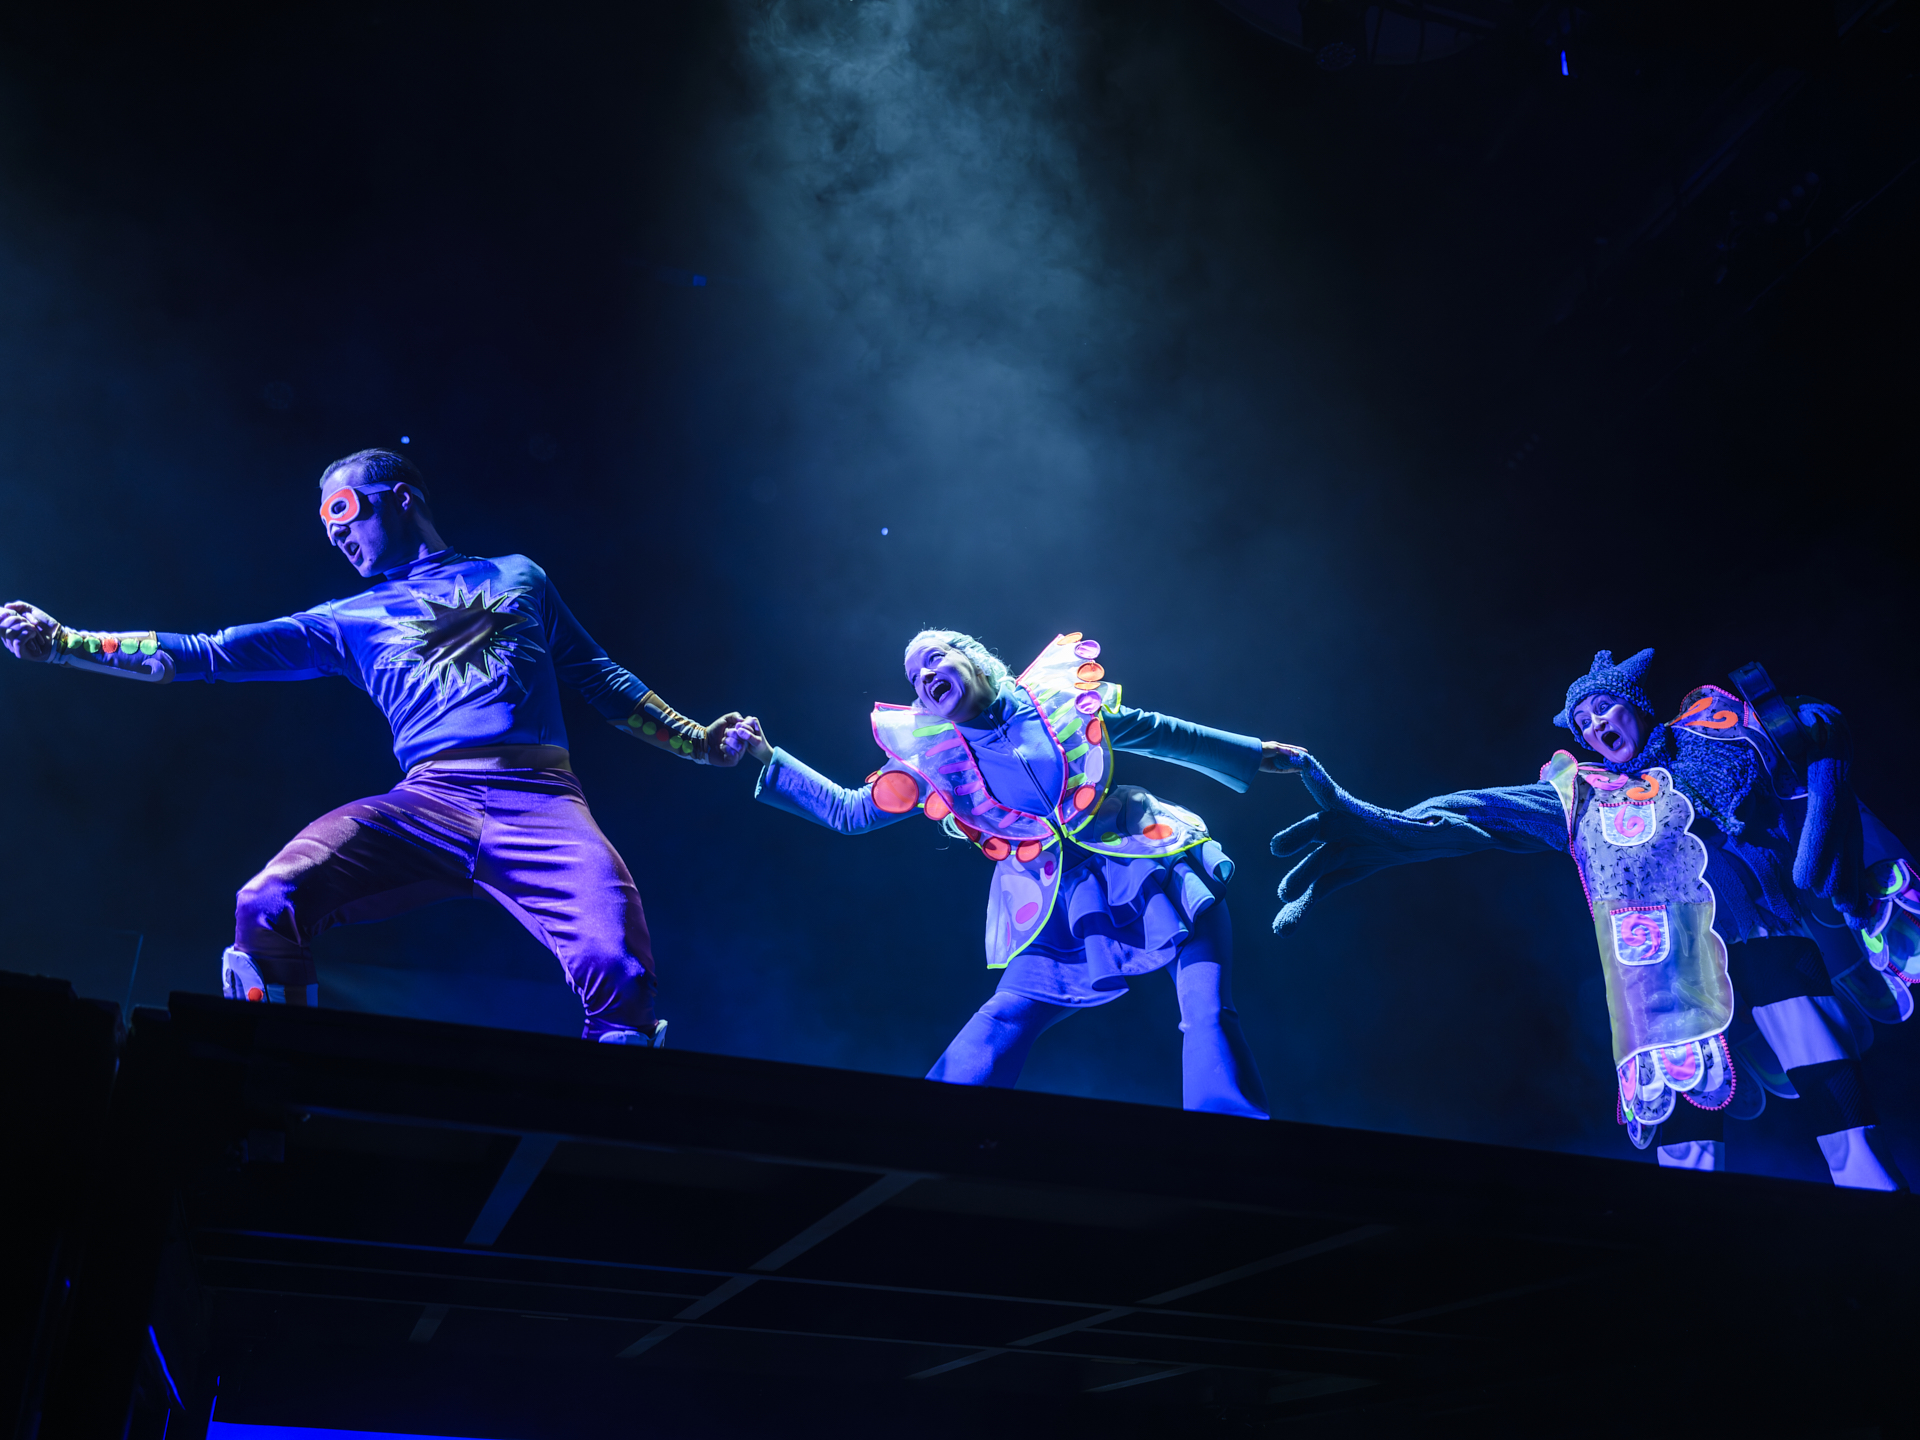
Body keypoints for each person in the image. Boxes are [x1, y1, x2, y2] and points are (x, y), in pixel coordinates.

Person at [0, 449, 746, 1045]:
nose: (335, 535)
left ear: (400, 497)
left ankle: (604, 1139)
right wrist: (65, 642)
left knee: (620, 970)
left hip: (543, 806)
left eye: (342, 510)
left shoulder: (518, 576)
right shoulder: (347, 618)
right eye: (327, 526)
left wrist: (697, 741)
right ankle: (274, 1085)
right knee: (268, 900)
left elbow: (601, 678)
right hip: (430, 804)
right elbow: (210, 652)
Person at [1267, 647, 1916, 1186]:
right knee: (1680, 1096)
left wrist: (1819, 739)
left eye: (1602, 707)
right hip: (1669, 973)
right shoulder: (1589, 795)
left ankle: (1876, 1201)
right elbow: (1482, 812)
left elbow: (1802, 740)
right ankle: (1690, 1245)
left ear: (1634, 704)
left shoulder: (1714, 734)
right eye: (1582, 721)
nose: (1594, 724)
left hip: (1768, 934)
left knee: (1824, 1066)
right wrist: (1385, 823)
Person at [730, 628, 1302, 1117]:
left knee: (1207, 1009)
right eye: (913, 677)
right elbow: (850, 812)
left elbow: (1155, 731)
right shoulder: (936, 761)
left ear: (973, 659)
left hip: (1148, 861)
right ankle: (925, 1131)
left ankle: (1229, 1140)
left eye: (933, 658)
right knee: (1004, 1018)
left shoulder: (1060, 703)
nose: (923, 676)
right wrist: (765, 755)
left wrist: (1253, 753)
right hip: (1061, 902)